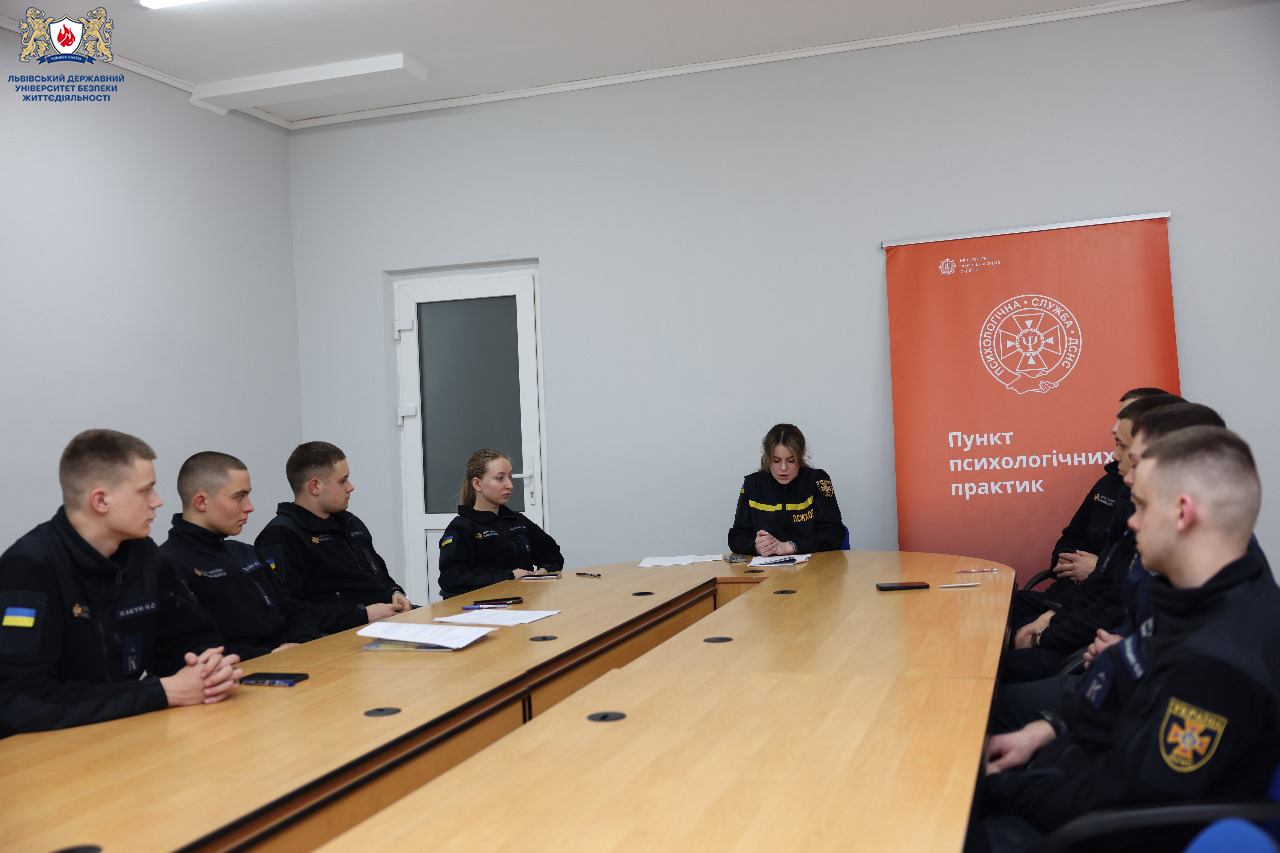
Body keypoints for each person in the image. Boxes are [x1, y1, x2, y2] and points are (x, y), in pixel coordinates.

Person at [972, 427, 1280, 852]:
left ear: (1182, 513)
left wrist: (997, 789)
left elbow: (1127, 800)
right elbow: (1117, 695)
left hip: (1095, 830)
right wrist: (1045, 731)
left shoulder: (1217, 661)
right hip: (1070, 779)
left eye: (1141, 507)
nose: (1131, 523)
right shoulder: (1191, 600)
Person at [0, 429, 241, 736]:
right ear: (101, 500)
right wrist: (163, 692)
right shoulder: (29, 567)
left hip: (121, 731)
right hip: (43, 749)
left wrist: (207, 668)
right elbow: (20, 702)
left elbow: (189, 636)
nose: (158, 501)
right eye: (145, 491)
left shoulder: (145, 555)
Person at [160, 452, 323, 661]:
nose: (249, 507)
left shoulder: (246, 553)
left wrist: (304, 644)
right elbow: (190, 651)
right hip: (243, 671)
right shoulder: (169, 564)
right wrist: (270, 656)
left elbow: (292, 609)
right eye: (239, 497)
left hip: (294, 660)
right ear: (201, 502)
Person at [255, 442, 409, 634]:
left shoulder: (350, 523)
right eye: (343, 481)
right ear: (315, 486)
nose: (350, 487)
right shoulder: (282, 535)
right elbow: (287, 610)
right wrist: (362, 615)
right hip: (345, 634)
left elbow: (379, 574)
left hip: (386, 621)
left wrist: (394, 591)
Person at [438, 448, 564, 599]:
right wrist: (509, 576)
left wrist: (544, 570)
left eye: (510, 477)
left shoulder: (517, 520)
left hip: (525, 599)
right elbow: (451, 578)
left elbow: (552, 553)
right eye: (500, 478)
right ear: (477, 483)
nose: (509, 485)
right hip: (486, 606)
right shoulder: (461, 528)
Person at [728, 423, 845, 556]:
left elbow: (835, 533)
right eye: (776, 460)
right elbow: (736, 537)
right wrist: (756, 546)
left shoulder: (816, 480)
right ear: (768, 458)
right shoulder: (753, 484)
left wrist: (790, 546)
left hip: (813, 564)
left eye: (791, 460)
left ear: (801, 456)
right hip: (767, 566)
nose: (783, 468)